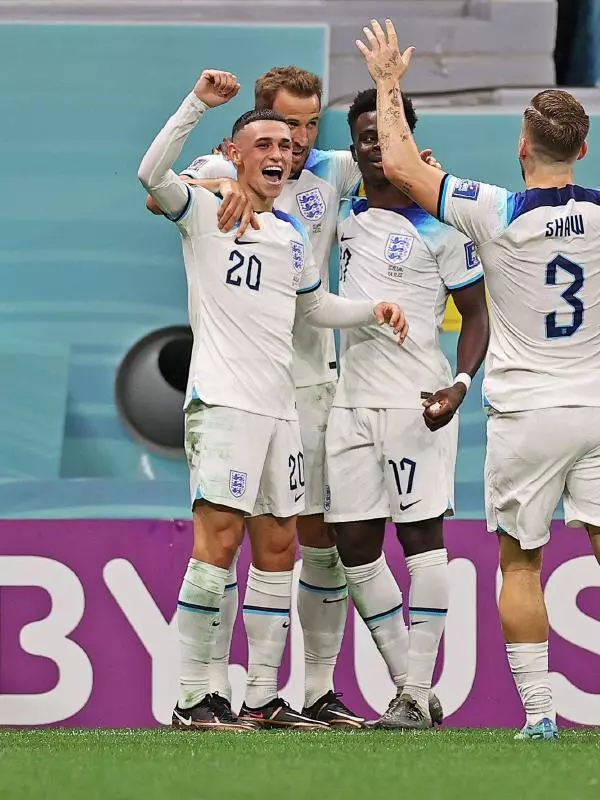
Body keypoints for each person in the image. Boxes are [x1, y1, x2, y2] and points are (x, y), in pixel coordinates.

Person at [357, 18, 600, 740]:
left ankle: (541, 716)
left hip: (526, 412)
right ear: (584, 151)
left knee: (521, 565)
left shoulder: (494, 212)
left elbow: (400, 167)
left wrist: (389, 83)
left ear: (522, 146)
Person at [138, 70, 407, 730]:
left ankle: (261, 697)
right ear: (234, 153)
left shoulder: (289, 233)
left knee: (279, 545)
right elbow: (151, 174)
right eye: (264, 145)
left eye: (287, 147)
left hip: (282, 408)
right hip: (225, 403)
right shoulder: (205, 207)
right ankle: (193, 696)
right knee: (218, 543)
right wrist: (196, 102)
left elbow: (315, 308)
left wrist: (373, 309)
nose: (280, 155)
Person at [326, 88, 489, 729]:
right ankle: (411, 688)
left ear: (406, 141)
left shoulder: (442, 227)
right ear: (353, 143)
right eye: (364, 134)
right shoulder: (339, 214)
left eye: (385, 133)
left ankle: (415, 692)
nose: (374, 143)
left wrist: (460, 385)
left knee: (422, 540)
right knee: (354, 546)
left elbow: (477, 316)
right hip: (350, 403)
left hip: (418, 403)